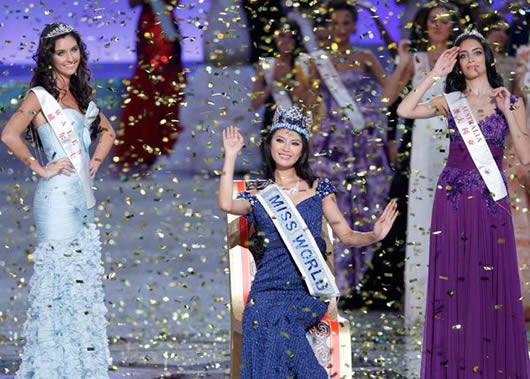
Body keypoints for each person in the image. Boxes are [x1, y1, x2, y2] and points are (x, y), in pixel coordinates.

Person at [217, 106, 398, 377]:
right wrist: (231, 155)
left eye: (295, 142)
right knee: (267, 316)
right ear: (270, 144)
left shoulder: (319, 189)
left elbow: (345, 234)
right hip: (266, 290)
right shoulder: (260, 195)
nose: (286, 148)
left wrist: (374, 235)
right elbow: (226, 203)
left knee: (280, 320)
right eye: (280, 140)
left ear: (303, 149)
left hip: (307, 291)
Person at [397, 30, 530, 377]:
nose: (470, 60)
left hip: (490, 198)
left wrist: (505, 109)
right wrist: (434, 74)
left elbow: (526, 155)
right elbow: (405, 109)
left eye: (476, 53)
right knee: (455, 279)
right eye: (463, 56)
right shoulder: (450, 99)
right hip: (453, 198)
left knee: (491, 279)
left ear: (487, 57)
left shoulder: (511, 100)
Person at [1, 23, 115, 377]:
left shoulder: (82, 96)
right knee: (58, 282)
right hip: (55, 199)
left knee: (80, 284)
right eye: (61, 52)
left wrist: (95, 160)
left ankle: (80, 365)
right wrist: (40, 167)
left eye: (74, 50)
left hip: (80, 198)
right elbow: (9, 134)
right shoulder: (39, 96)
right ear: (48, 57)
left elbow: (108, 132)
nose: (69, 58)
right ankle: (54, 366)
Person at [301, 0, 396, 299]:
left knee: (364, 204)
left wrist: (405, 64)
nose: (340, 29)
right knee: (332, 204)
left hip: (361, 141)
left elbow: (389, 93)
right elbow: (306, 100)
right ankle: (334, 279)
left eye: (346, 23)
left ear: (354, 26)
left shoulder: (365, 56)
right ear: (327, 27)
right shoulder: (317, 61)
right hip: (330, 142)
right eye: (335, 24)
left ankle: (361, 280)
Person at [383, 2, 461, 323]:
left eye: (446, 21)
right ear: (424, 24)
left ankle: (454, 296)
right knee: (420, 213)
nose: (439, 26)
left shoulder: (462, 58)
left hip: (456, 141)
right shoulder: (415, 59)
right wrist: (402, 63)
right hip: (422, 145)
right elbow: (388, 98)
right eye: (434, 20)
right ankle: (420, 302)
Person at [113, 0, 184, 171]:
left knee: (168, 82)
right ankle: (144, 151)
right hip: (148, 27)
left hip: (165, 26)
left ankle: (169, 147)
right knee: (147, 85)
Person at [251, 19, 306, 155]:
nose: (286, 40)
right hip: (272, 125)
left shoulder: (303, 65)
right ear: (274, 37)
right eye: (282, 35)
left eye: (291, 37)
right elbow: (255, 103)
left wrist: (288, 82)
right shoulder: (264, 66)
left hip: (298, 125)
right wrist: (273, 82)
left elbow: (305, 101)